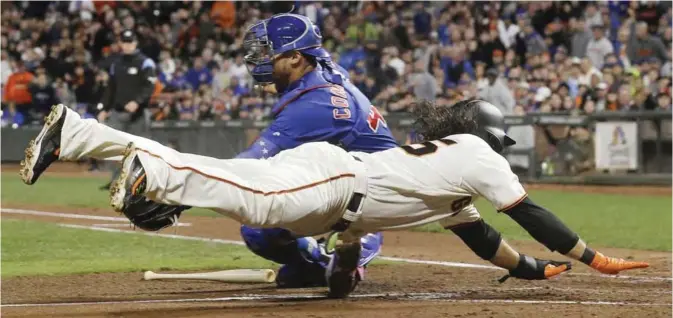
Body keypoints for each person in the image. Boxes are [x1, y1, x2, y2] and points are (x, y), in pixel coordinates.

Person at [20, 99, 649, 299]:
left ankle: (80, 133)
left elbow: (486, 237)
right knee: (256, 203)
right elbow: (528, 212)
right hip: (334, 181)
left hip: (332, 195)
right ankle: (151, 174)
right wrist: (593, 258)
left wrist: (534, 269)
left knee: (234, 185)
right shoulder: (475, 153)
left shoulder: (452, 180)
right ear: (483, 130)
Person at [20, 13, 399, 297]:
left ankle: (338, 259)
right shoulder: (322, 73)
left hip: (367, 203)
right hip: (342, 184)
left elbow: (247, 168)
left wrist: (183, 194)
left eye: (270, 53)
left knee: (256, 212)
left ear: (298, 59)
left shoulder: (315, 104)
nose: (260, 60)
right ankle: (316, 266)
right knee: (259, 229)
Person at [98, 29, 157, 190]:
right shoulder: (116, 63)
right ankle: (116, 181)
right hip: (117, 112)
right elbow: (111, 88)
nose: (127, 45)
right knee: (118, 148)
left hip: (138, 114)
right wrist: (104, 107)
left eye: (130, 42)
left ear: (135, 43)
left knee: (141, 149)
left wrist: (137, 102)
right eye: (124, 41)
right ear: (120, 43)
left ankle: (142, 182)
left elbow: (149, 86)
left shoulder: (146, 62)